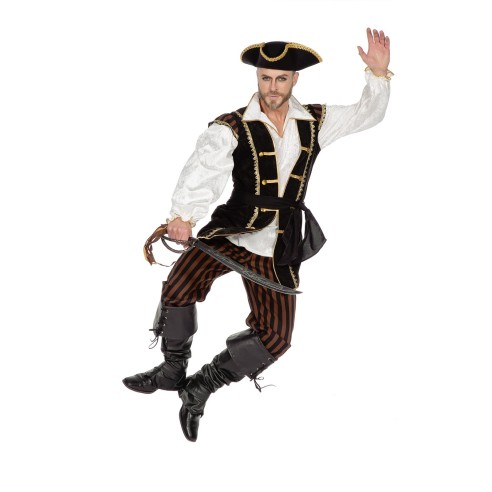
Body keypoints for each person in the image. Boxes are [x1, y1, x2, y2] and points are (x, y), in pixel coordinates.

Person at [123, 28, 392, 442]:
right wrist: (183, 216)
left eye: (281, 78)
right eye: (266, 78)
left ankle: (201, 386)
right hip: (231, 232)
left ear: (295, 79)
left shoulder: (316, 122)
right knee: (178, 286)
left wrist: (377, 75)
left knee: (276, 338)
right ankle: (172, 370)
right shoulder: (232, 125)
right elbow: (204, 168)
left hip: (279, 244)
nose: (273, 87)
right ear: (257, 78)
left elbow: (365, 115)